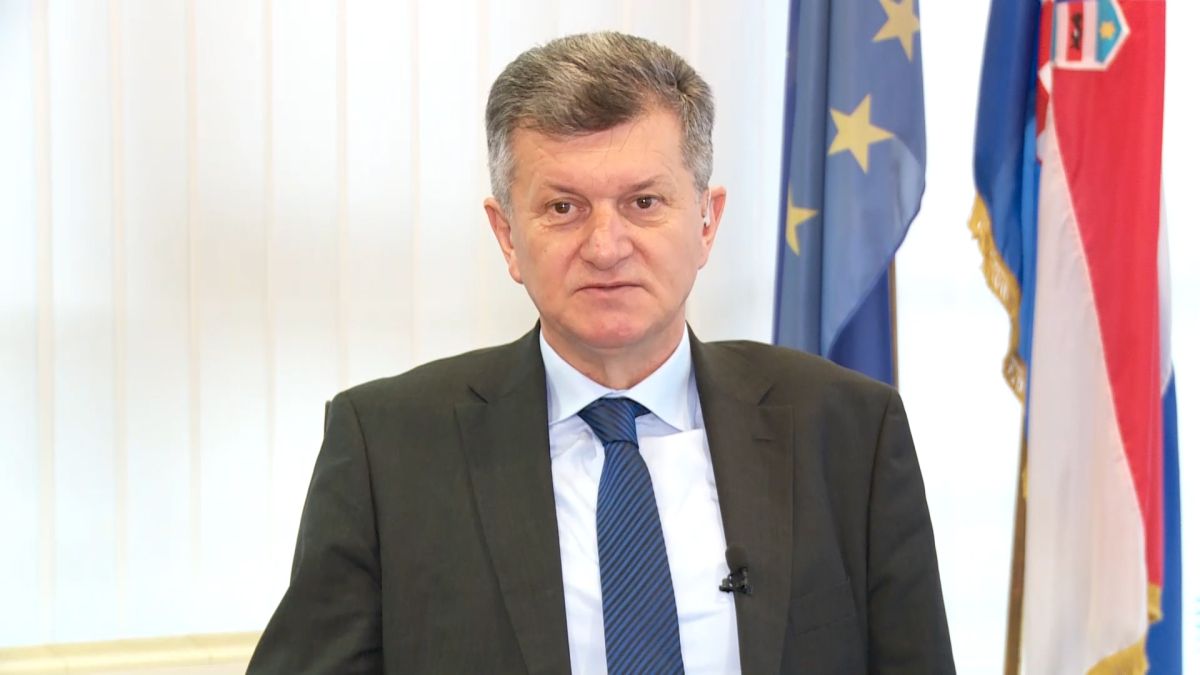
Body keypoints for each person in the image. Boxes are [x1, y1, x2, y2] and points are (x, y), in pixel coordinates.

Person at [247, 31, 954, 674]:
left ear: (707, 222)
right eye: (563, 207)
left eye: (644, 202)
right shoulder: (386, 447)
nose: (606, 246)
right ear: (507, 236)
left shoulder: (848, 430)